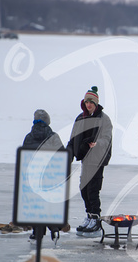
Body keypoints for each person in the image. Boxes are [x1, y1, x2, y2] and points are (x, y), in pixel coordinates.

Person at [67, 86, 113, 236]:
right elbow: (73, 138)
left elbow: (106, 138)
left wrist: (98, 143)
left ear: (96, 103)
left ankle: (96, 220)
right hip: (85, 159)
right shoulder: (81, 118)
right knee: (83, 189)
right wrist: (68, 153)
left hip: (97, 158)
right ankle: (89, 215)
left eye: (91, 102)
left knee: (93, 190)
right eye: (87, 102)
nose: (89, 104)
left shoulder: (103, 119)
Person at [21, 109, 67, 241]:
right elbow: (62, 156)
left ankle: (37, 233)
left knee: (36, 204)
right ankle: (54, 230)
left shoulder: (29, 137)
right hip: (50, 176)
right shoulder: (53, 136)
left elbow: (25, 158)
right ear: (48, 122)